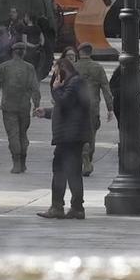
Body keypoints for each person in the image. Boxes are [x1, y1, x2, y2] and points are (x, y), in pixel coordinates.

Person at [40, 55, 89, 219]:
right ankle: (75, 207)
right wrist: (47, 113)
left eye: (55, 70)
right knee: (72, 172)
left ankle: (59, 207)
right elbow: (66, 108)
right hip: (71, 134)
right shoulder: (73, 83)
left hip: (70, 136)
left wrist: (56, 88)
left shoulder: (74, 83)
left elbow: (65, 102)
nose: (54, 74)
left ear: (62, 69)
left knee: (61, 171)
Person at [0, 41, 41, 173]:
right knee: (22, 135)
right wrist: (36, 105)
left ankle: (16, 163)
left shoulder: (4, 67)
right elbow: (35, 89)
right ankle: (23, 163)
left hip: (8, 107)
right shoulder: (29, 68)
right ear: (24, 52)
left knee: (13, 135)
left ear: (12, 52)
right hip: (24, 107)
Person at [72, 41, 110, 174]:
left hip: (76, 106)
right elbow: (105, 87)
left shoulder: (73, 67)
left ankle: (83, 158)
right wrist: (110, 108)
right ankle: (88, 157)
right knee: (91, 132)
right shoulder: (98, 67)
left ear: (80, 52)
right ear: (90, 52)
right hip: (92, 106)